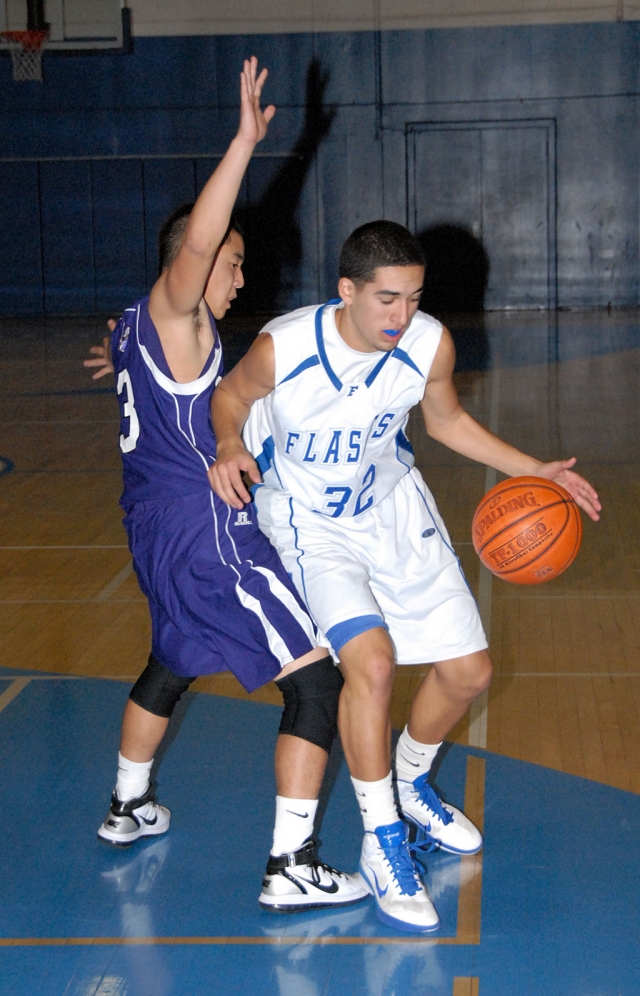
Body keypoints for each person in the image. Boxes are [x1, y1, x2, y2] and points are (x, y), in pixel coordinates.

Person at [207, 219, 602, 933]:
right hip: (307, 521)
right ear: (346, 290)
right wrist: (230, 443)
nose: (402, 315)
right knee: (374, 663)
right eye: (387, 299)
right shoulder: (286, 345)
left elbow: (446, 421)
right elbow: (229, 398)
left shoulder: (427, 343)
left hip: (390, 506)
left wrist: (534, 470)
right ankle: (383, 840)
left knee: (469, 672)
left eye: (414, 298)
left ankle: (413, 780)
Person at [83, 58, 367, 913]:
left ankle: (127, 805)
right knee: (318, 683)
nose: (239, 275)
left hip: (155, 536)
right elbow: (198, 243)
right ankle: (293, 865)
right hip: (208, 537)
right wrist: (244, 142)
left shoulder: (138, 326)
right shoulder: (178, 309)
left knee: (170, 661)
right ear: (189, 268)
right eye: (231, 262)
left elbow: (155, 368)